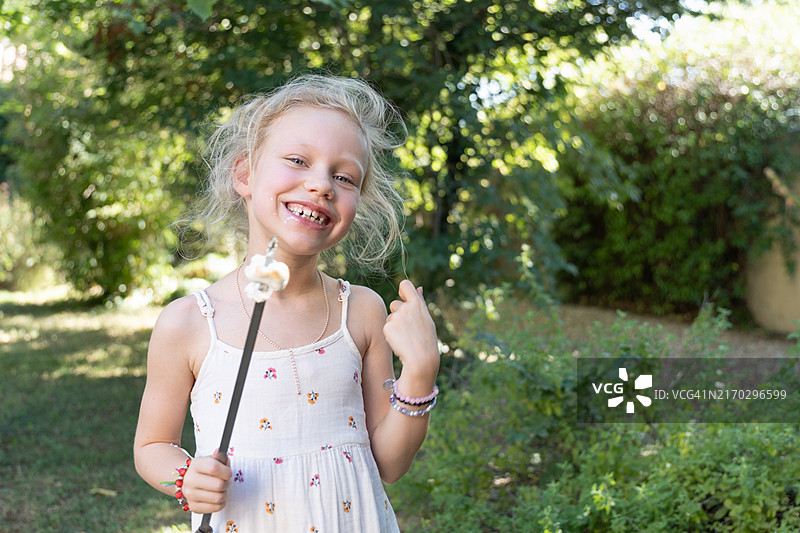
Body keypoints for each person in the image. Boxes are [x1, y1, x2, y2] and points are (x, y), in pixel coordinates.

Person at [133, 74, 440, 532]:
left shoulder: (361, 311)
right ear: (245, 175)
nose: (321, 185)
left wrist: (419, 373)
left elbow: (391, 465)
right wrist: (185, 478)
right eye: (298, 160)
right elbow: (152, 444)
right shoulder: (191, 323)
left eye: (344, 176)